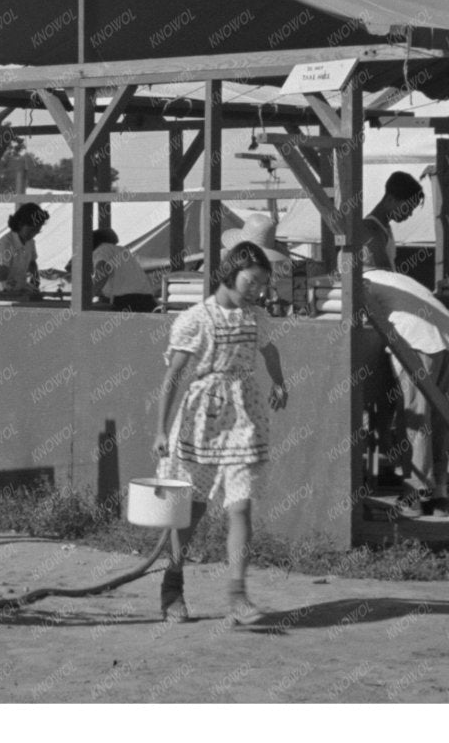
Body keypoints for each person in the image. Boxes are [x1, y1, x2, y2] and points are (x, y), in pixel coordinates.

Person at [152, 240, 288, 628]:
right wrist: (160, 429)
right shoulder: (197, 318)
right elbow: (174, 375)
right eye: (253, 279)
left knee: (241, 505)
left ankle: (237, 595)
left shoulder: (257, 317)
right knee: (190, 512)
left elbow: (270, 351)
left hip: (245, 419)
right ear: (231, 271)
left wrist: (279, 383)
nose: (258, 288)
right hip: (202, 420)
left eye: (263, 282)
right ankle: (172, 587)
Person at [359, 173, 449, 513]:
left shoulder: (372, 272)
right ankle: (436, 490)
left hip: (421, 336)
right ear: (391, 198)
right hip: (448, 336)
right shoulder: (368, 234)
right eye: (405, 207)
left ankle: (419, 493)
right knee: (440, 417)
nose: (407, 215)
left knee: (418, 418)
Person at [0, 201, 48, 300]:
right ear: (20, 224)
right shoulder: (6, 244)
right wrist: (10, 295)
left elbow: (32, 263)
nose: (33, 234)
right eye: (31, 230)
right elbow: (1, 279)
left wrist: (35, 282)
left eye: (37, 231)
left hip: (16, 292)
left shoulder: (30, 242)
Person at [91, 224, 156, 311]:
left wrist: (87, 296)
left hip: (126, 301)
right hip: (147, 300)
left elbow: (103, 273)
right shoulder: (122, 251)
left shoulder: (102, 249)